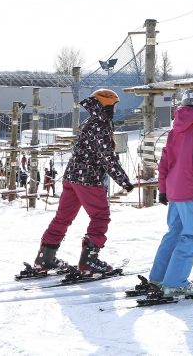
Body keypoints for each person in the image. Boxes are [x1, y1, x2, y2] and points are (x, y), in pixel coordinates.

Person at [31, 89, 133, 276]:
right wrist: (124, 181)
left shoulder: (90, 122)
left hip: (72, 177)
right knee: (100, 216)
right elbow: (107, 157)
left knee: (63, 217)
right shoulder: (101, 125)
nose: (114, 110)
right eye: (113, 106)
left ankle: (45, 257)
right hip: (88, 179)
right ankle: (89, 260)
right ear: (106, 104)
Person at [149, 89, 193, 298]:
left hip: (174, 191)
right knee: (191, 236)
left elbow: (164, 163)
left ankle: (158, 277)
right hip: (190, 191)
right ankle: (175, 282)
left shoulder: (174, 131)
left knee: (173, 234)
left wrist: (162, 189)